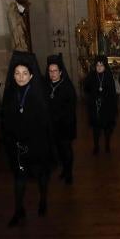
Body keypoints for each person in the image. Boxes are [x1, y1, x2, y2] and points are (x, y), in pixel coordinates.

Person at [2, 51, 55, 226]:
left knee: (40, 176)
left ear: (31, 75)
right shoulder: (10, 94)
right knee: (19, 179)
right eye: (17, 73)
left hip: (37, 146)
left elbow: (45, 123)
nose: (20, 77)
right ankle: (18, 210)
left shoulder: (39, 95)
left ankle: (43, 201)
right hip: (18, 147)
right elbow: (5, 120)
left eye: (24, 73)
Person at [46, 54, 77, 185]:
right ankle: (64, 169)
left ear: (60, 72)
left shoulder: (67, 86)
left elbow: (71, 106)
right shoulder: (46, 86)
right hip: (52, 126)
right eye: (50, 71)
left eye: (55, 71)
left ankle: (69, 173)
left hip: (65, 124)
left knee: (66, 149)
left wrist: (61, 117)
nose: (52, 74)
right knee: (58, 150)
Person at [84, 55, 117, 154]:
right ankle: (96, 146)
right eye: (97, 65)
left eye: (101, 65)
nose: (99, 67)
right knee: (96, 129)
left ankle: (107, 145)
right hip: (95, 107)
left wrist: (111, 106)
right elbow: (86, 89)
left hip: (106, 107)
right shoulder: (91, 75)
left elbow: (112, 93)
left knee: (107, 129)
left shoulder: (108, 76)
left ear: (105, 66)